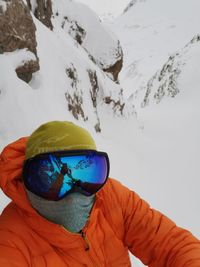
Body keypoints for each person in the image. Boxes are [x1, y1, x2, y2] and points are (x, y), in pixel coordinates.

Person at [0, 120, 199, 267]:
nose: (74, 195)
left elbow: (169, 243)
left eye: (89, 173)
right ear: (28, 180)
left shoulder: (111, 196)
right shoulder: (10, 241)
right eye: (46, 179)